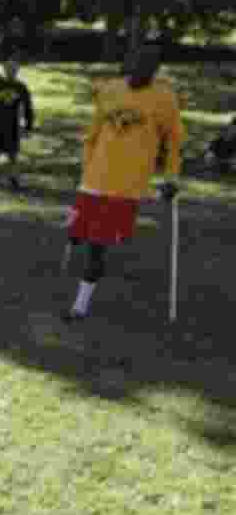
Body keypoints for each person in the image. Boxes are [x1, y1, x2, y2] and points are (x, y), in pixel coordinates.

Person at [61, 47, 184, 323]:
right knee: (79, 236)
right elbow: (92, 135)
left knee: (97, 244)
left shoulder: (164, 98)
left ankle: (79, 307)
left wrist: (171, 178)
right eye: (139, 63)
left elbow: (174, 141)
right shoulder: (110, 90)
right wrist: (85, 171)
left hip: (125, 187)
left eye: (150, 66)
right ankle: (74, 233)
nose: (143, 70)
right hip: (93, 180)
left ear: (156, 70)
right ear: (130, 62)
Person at [0, 56, 34, 189]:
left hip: (12, 125)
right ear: (4, 69)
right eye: (8, 68)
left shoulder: (21, 87)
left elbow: (28, 106)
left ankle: (13, 179)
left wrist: (28, 125)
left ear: (17, 70)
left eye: (13, 68)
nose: (11, 70)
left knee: (13, 155)